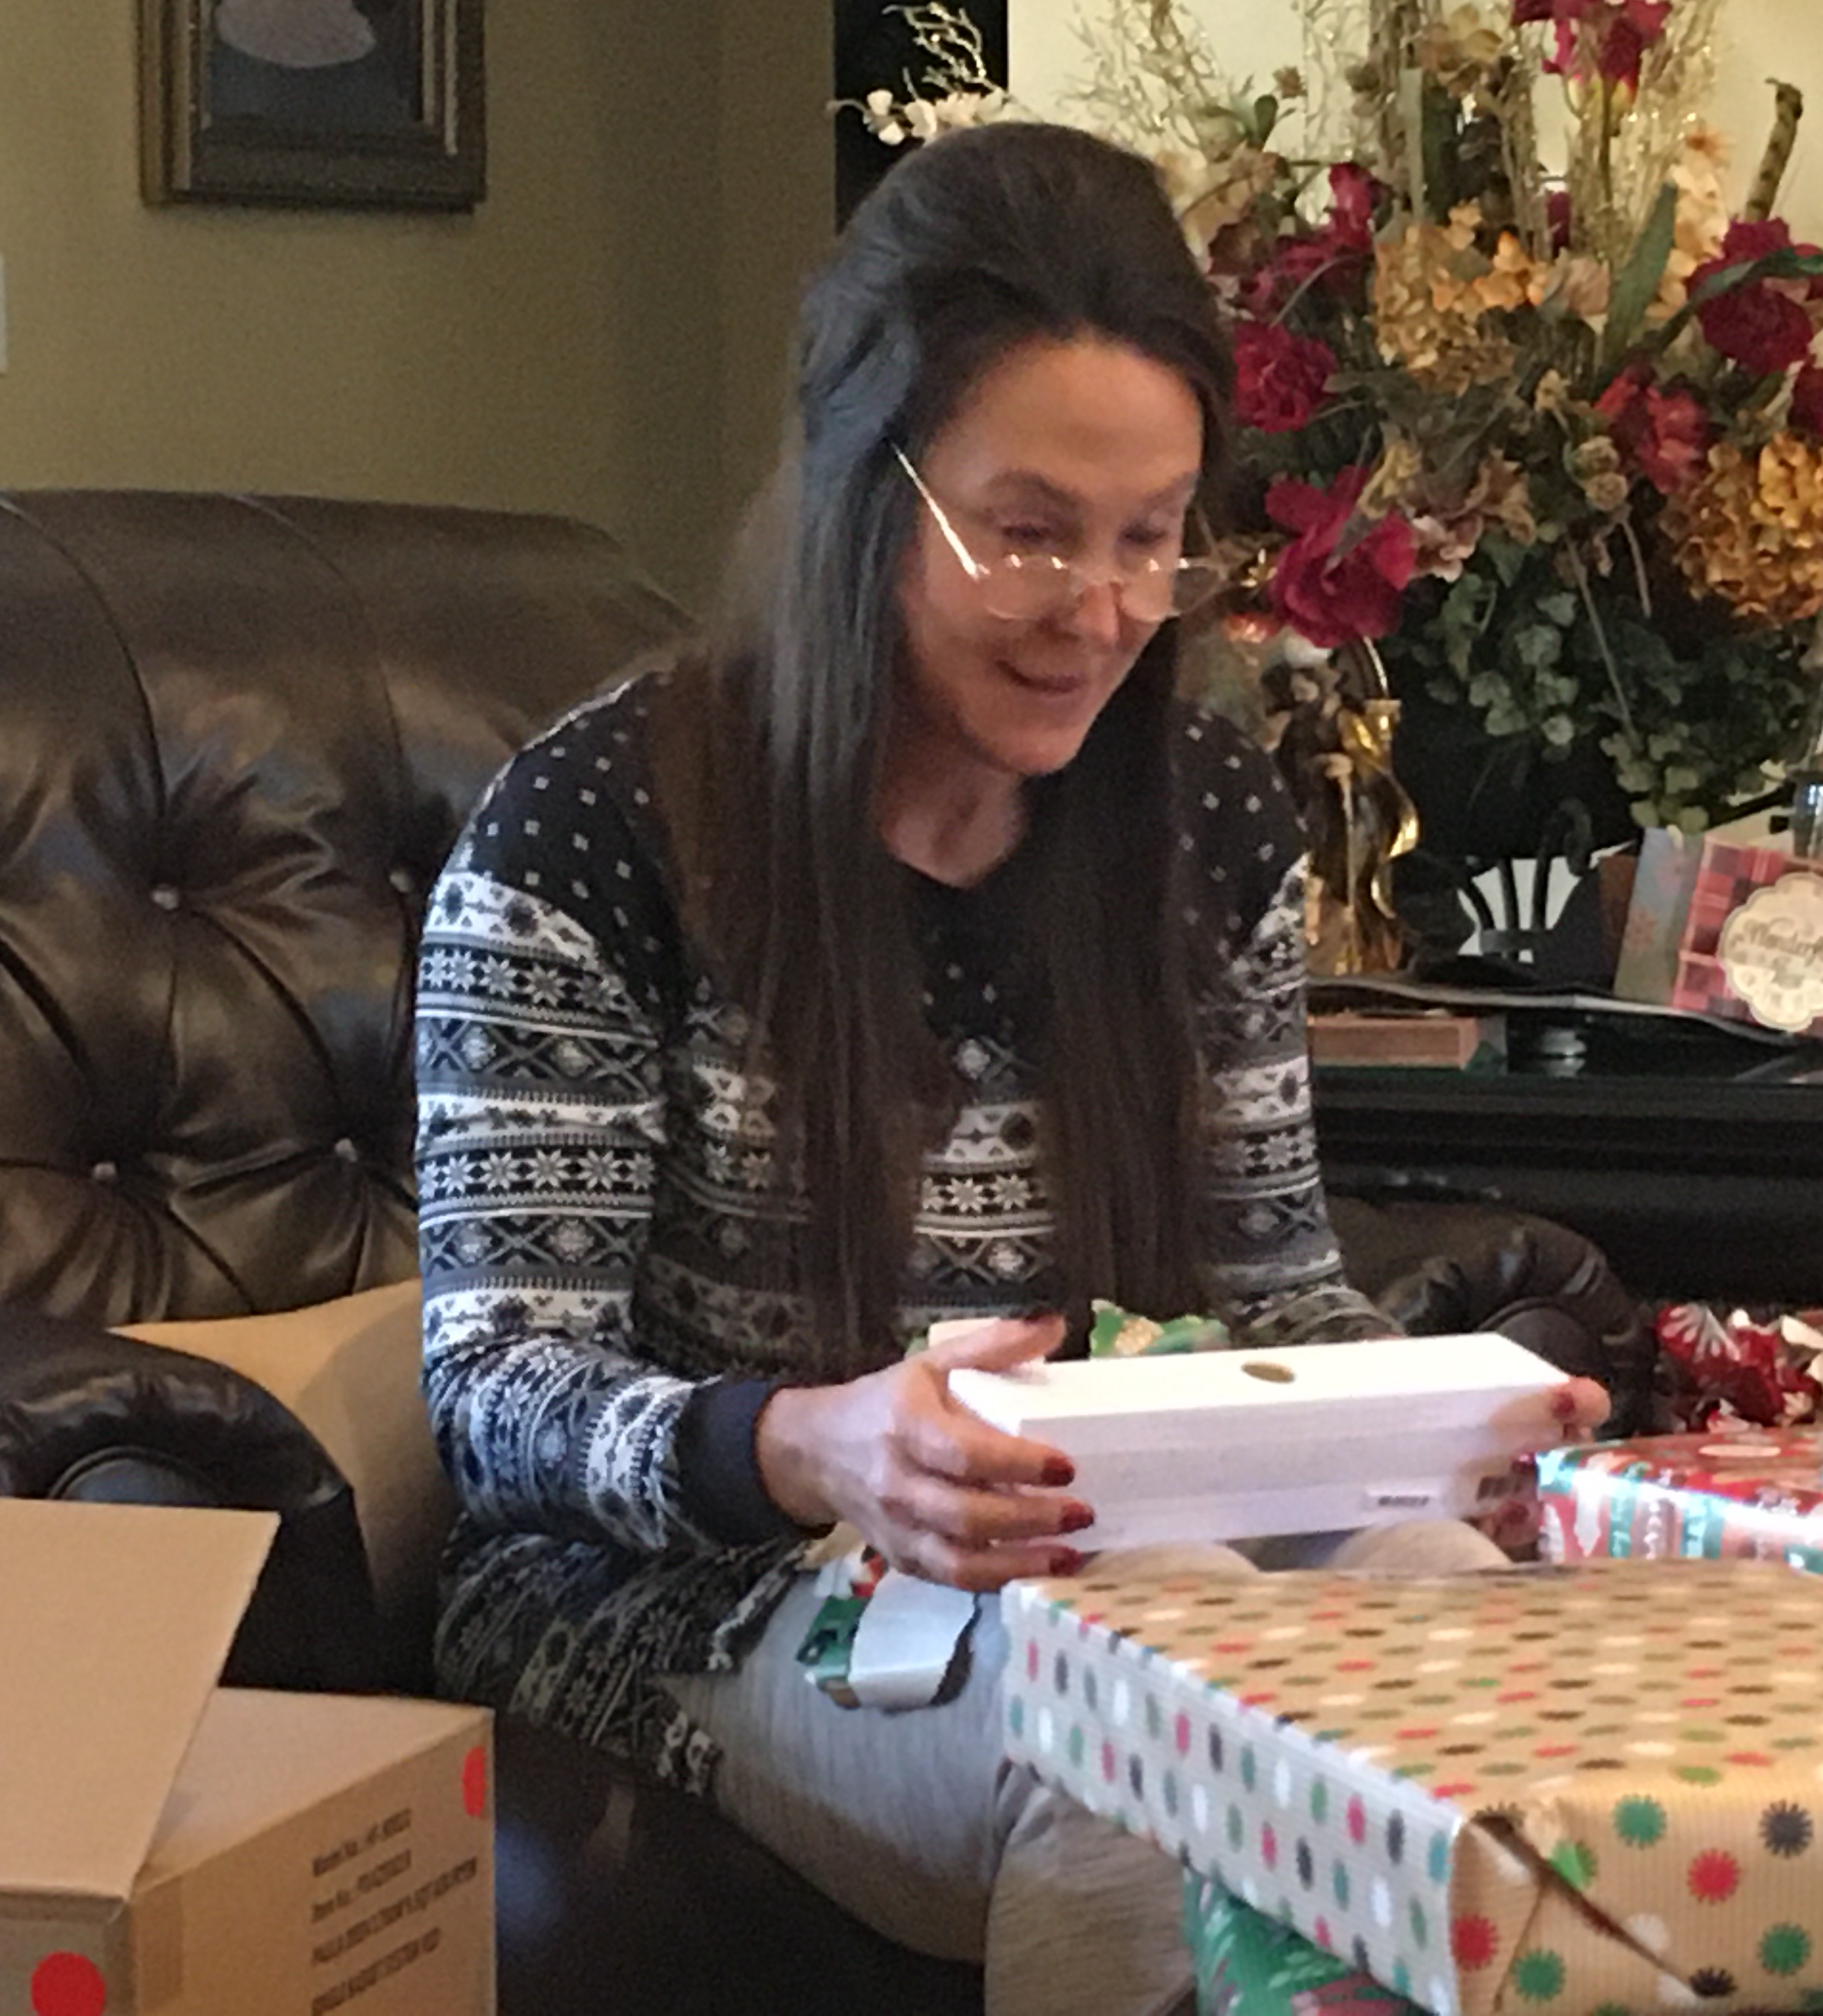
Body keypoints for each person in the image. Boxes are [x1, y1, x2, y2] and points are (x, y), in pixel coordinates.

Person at [413, 120, 1608, 2014]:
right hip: (679, 1598)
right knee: (1156, 1697)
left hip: (1117, 1544)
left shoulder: (1201, 816)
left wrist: (1443, 1435)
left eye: (1150, 538)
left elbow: (1274, 1287)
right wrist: (811, 1443)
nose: (1102, 611)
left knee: (1455, 1624)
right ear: (862, 489)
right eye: (1029, 532)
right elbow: (491, 1395)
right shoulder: (599, 831)